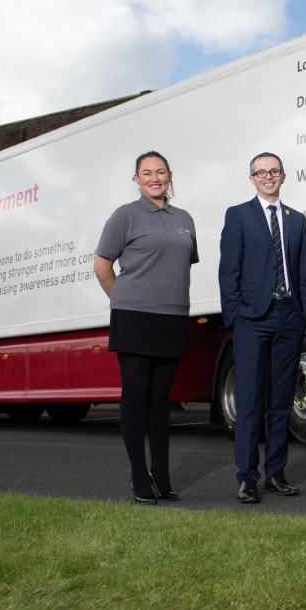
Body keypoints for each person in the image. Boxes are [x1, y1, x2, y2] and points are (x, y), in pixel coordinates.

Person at [94, 151, 198, 505]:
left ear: (171, 175)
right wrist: (121, 299)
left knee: (160, 400)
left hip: (172, 317)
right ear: (136, 179)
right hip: (134, 315)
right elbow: (102, 264)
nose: (155, 178)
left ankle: (163, 476)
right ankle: (140, 474)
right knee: (136, 395)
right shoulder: (125, 215)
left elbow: (182, 264)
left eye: (160, 172)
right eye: (146, 173)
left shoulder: (184, 219)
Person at [218, 152, 306, 504]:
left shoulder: (297, 220)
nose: (268, 177)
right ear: (252, 179)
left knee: (280, 402)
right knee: (250, 403)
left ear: (283, 176)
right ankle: (247, 477)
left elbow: (303, 272)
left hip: (289, 317)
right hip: (252, 320)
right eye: (261, 172)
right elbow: (228, 272)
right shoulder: (239, 216)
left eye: (274, 171)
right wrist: (236, 315)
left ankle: (275, 473)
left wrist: (303, 314)